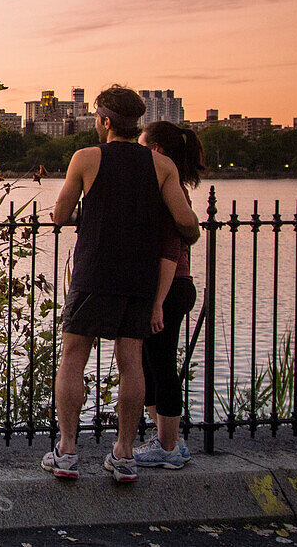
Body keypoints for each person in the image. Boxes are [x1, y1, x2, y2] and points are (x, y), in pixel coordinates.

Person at [42, 86, 199, 483]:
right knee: (131, 363)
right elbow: (187, 222)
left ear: (107, 121)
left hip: (95, 272)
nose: (96, 123)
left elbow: (59, 214)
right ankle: (125, 454)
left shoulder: (86, 158)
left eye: (97, 117)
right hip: (141, 277)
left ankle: (67, 450)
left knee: (73, 356)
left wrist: (88, 212)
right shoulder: (161, 166)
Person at [133, 121, 205, 469]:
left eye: (143, 145)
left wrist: (157, 302)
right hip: (169, 287)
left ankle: (169, 446)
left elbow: (171, 249)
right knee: (150, 364)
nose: (139, 151)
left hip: (170, 288)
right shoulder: (164, 185)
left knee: (161, 366)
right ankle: (165, 438)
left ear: (157, 150)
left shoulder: (168, 186)